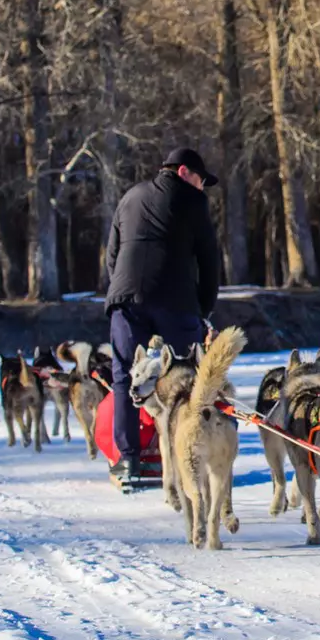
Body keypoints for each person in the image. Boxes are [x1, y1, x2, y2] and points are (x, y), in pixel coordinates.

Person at [105, 147, 223, 460]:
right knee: (186, 375)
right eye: (201, 180)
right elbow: (209, 260)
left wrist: (120, 289)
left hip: (125, 299)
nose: (202, 187)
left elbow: (112, 254)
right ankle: (188, 452)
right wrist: (204, 310)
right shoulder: (192, 200)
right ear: (184, 172)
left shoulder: (130, 196)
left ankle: (128, 456)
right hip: (177, 301)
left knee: (126, 375)